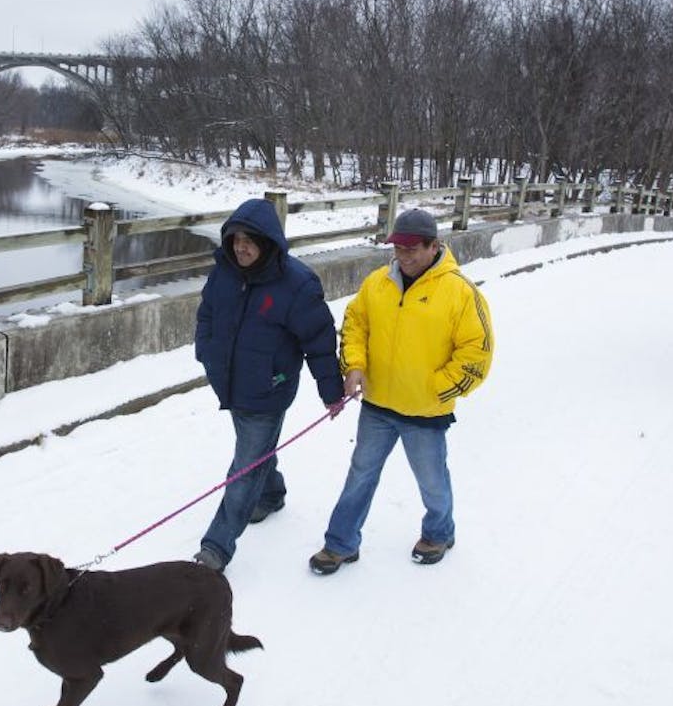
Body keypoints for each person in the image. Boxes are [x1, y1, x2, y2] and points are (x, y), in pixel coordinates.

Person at [309, 208, 494, 575]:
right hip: (377, 406)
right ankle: (341, 543)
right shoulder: (378, 283)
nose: (404, 256)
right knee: (360, 473)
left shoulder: (459, 292)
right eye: (398, 248)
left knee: (431, 479)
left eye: (413, 249)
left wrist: (434, 389)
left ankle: (439, 533)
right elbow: (355, 323)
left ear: (433, 246)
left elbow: (478, 352)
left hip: (425, 413)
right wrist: (355, 366)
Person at [193, 198, 346, 572]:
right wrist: (207, 354)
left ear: (269, 242)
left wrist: (331, 391)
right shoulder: (224, 273)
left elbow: (319, 341)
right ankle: (272, 494)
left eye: (250, 240)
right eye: (235, 239)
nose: (241, 247)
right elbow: (207, 314)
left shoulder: (296, 284)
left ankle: (216, 546)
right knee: (258, 453)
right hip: (229, 382)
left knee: (245, 467)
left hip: (267, 391)